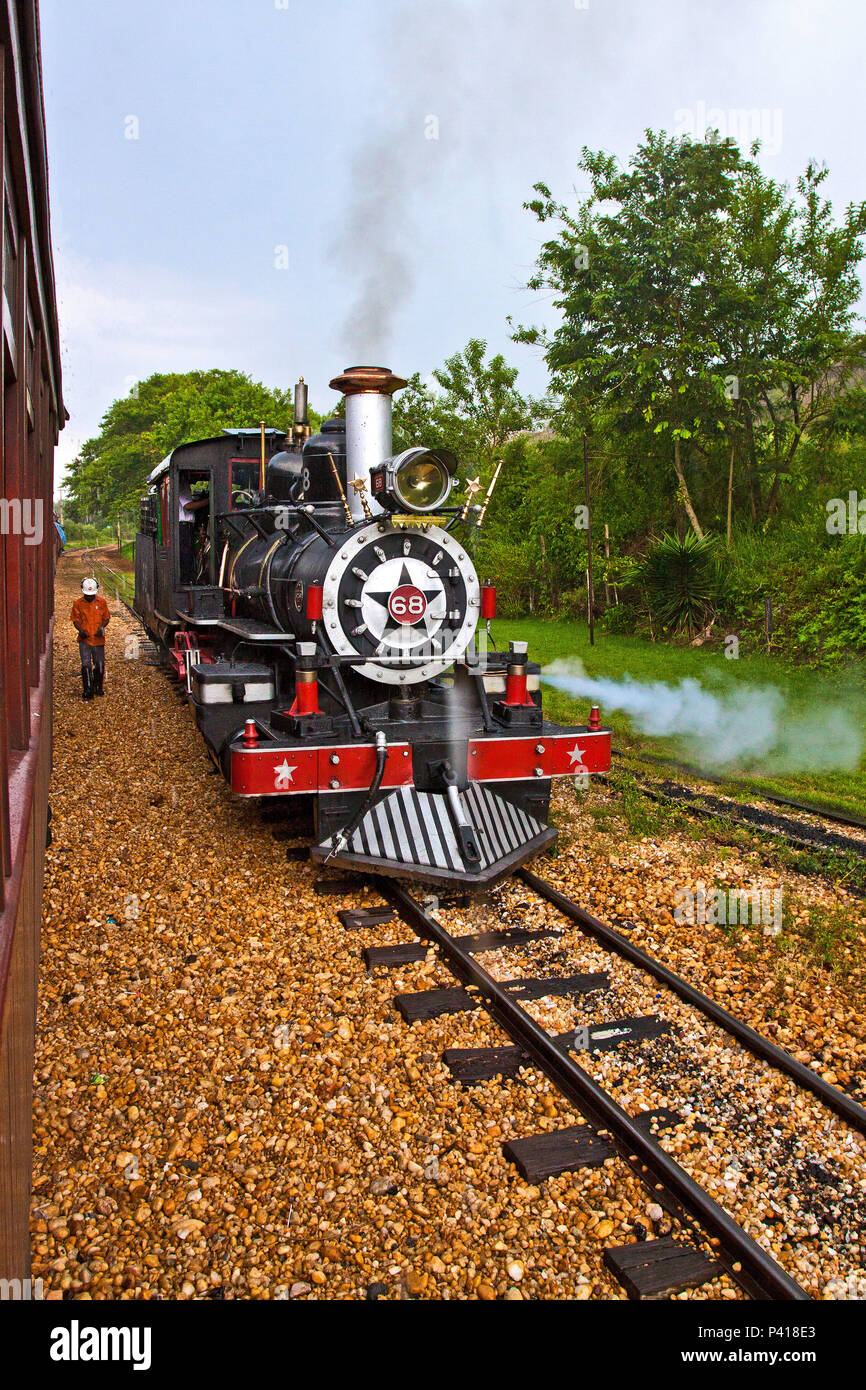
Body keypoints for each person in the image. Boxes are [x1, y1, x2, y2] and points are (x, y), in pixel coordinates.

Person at [71, 577, 110, 700]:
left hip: (98, 640)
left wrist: (102, 627)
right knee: (86, 664)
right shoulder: (78, 604)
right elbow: (75, 620)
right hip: (85, 640)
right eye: (87, 595)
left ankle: (98, 687)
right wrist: (81, 631)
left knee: (100, 664)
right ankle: (88, 690)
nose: (89, 597)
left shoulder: (102, 603)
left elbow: (106, 618)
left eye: (91, 595)